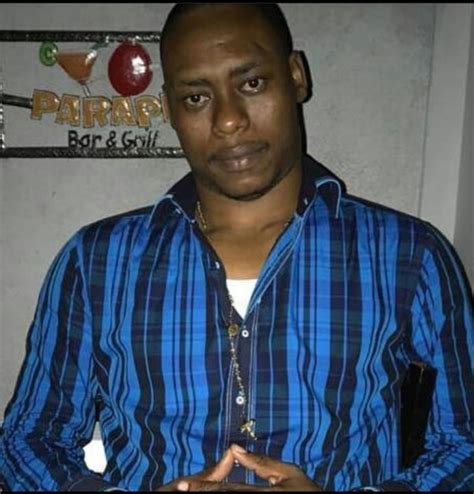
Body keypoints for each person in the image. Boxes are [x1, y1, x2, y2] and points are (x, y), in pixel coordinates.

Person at [1, 3, 473, 491]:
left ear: (295, 77)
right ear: (170, 110)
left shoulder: (409, 256)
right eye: (196, 97)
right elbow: (28, 441)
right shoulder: (96, 262)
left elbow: (465, 445)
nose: (228, 120)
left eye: (251, 83)